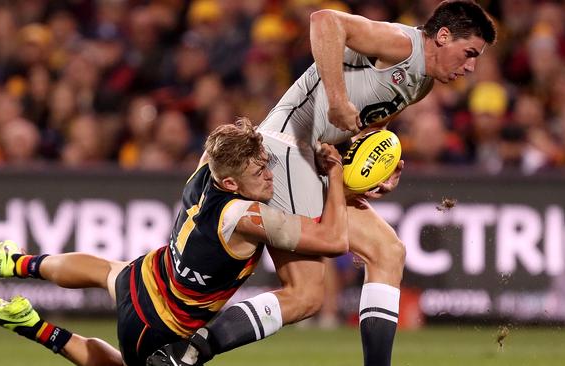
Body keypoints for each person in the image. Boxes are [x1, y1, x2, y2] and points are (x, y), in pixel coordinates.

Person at [153, 2, 497, 366]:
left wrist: (379, 168)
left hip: (311, 160)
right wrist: (336, 99)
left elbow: (366, 129)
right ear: (443, 37)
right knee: (306, 296)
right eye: (469, 53)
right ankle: (186, 353)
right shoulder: (402, 44)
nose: (471, 66)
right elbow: (325, 20)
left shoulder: (423, 83)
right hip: (286, 149)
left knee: (387, 252)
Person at [0, 117, 349, 366]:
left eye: (265, 165)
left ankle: (19, 264)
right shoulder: (246, 217)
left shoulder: (206, 168)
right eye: (259, 171)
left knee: (106, 270)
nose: (270, 177)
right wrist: (334, 175)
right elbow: (333, 241)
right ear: (232, 185)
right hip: (162, 328)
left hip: (146, 276)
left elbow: (220, 143)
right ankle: (34, 326)